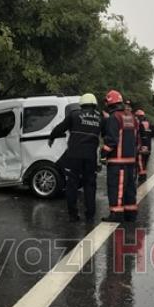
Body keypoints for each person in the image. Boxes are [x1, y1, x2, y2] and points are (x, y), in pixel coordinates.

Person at [48, 93, 102, 222]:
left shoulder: (74, 115)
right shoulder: (100, 118)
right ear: (94, 104)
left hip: (74, 155)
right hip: (90, 157)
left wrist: (52, 137)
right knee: (90, 185)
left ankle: (73, 215)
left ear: (81, 104)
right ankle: (90, 216)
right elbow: (107, 134)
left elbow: (60, 128)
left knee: (72, 184)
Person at [102, 89, 139, 222]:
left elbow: (111, 140)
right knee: (129, 188)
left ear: (110, 103)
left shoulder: (114, 118)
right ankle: (131, 213)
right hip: (130, 161)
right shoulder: (132, 117)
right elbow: (136, 139)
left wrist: (103, 152)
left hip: (117, 161)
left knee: (117, 188)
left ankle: (116, 214)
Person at [134, 109, 153, 181]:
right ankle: (143, 175)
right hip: (148, 145)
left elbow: (138, 135)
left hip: (141, 145)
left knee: (140, 161)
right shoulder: (149, 123)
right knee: (145, 161)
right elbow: (153, 133)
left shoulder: (138, 123)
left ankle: (142, 176)